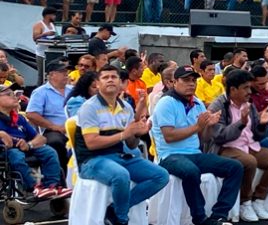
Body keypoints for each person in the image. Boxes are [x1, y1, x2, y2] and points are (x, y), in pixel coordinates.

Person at [74, 65, 169, 225]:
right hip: (92, 160)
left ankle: (115, 210)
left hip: (119, 157)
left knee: (161, 176)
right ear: (97, 84)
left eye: (114, 77)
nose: (110, 80)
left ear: (120, 83)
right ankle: (121, 219)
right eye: (105, 77)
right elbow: (92, 143)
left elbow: (131, 145)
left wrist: (137, 132)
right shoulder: (89, 107)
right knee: (121, 175)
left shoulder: (126, 108)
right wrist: (124, 134)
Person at [151, 65, 243, 225]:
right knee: (191, 171)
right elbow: (169, 136)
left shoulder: (198, 104)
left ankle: (219, 215)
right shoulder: (166, 102)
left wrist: (208, 126)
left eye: (193, 80)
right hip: (170, 155)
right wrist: (198, 126)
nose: (191, 84)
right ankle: (200, 218)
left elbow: (203, 139)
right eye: (186, 80)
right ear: (174, 82)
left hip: (194, 154)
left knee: (235, 167)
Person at [209, 69, 268, 222]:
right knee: (249, 162)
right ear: (233, 89)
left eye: (250, 87)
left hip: (250, 145)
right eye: (245, 88)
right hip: (226, 148)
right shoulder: (218, 105)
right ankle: (245, 202)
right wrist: (241, 124)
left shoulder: (249, 105)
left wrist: (263, 125)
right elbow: (219, 136)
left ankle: (259, 199)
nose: (249, 91)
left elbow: (257, 135)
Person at [0, 84, 71, 199]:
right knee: (15, 155)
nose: (14, 97)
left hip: (25, 148)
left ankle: (52, 186)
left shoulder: (19, 118)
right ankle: (34, 187)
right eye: (9, 94)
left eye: (15, 94)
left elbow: (41, 138)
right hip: (6, 151)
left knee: (49, 151)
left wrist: (29, 145)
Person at [26, 61, 72, 172]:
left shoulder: (73, 90)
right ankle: (61, 177)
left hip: (76, 127)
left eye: (67, 72)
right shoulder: (40, 92)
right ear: (51, 75)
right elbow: (31, 114)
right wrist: (54, 126)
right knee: (56, 142)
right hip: (54, 130)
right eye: (62, 72)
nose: (67, 74)